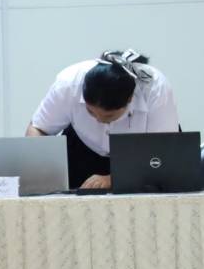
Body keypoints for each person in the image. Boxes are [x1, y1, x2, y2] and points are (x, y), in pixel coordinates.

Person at [26, 49, 179, 189]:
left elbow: (163, 153)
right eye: (90, 112)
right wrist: (39, 169)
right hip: (83, 149)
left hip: (142, 154)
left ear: (130, 99)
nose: (99, 120)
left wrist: (113, 179)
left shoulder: (156, 88)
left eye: (109, 116)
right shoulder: (68, 84)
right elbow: (38, 128)